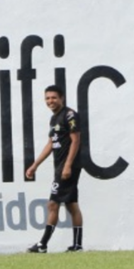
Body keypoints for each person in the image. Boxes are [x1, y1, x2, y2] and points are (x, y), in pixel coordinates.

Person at [26, 85, 84, 253]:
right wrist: (35, 164)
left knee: (53, 204)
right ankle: (77, 245)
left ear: (62, 98)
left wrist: (67, 165)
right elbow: (51, 143)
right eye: (47, 98)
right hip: (60, 165)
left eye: (53, 97)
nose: (50, 101)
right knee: (72, 205)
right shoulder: (54, 119)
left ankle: (43, 244)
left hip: (67, 167)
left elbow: (76, 140)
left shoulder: (70, 115)